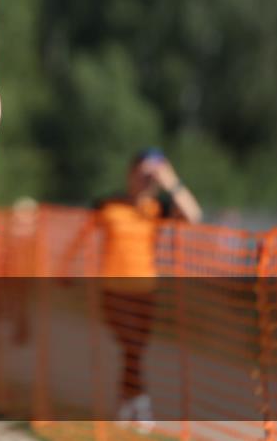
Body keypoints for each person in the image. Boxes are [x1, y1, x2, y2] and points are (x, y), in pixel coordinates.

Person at [62, 148, 202, 433]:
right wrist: (68, 267)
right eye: (143, 172)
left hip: (145, 291)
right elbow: (80, 236)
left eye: (152, 174)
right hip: (113, 290)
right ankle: (141, 405)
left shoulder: (157, 208)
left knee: (134, 350)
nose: (146, 179)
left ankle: (128, 405)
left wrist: (170, 180)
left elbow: (194, 215)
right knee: (132, 348)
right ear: (131, 172)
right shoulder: (108, 204)